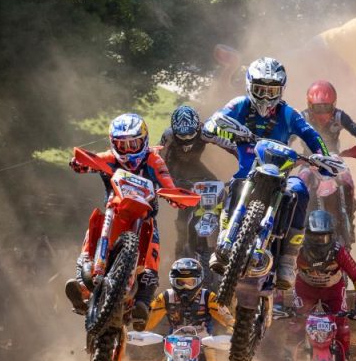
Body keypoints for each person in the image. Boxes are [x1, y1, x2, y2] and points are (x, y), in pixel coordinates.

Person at [201, 57, 337, 289]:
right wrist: (215, 128)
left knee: (299, 190)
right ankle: (223, 238)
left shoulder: (289, 114)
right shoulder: (239, 105)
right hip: (249, 167)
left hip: (280, 173)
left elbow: (311, 135)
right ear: (249, 86)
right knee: (234, 184)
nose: (265, 96)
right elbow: (215, 121)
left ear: (280, 90)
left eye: (271, 90)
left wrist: (322, 156)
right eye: (260, 89)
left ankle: (288, 258)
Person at [65, 113, 180, 327]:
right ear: (113, 143)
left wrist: (174, 196)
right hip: (115, 212)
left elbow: (166, 181)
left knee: (153, 247)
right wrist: (80, 163)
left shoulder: (153, 159)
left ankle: (143, 302)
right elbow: (93, 161)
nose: (128, 150)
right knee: (93, 227)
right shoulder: (110, 157)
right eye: (122, 145)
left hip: (143, 217)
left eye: (133, 143)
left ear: (144, 141)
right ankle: (82, 286)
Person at [282, 210, 356, 361]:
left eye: (323, 238)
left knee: (342, 326)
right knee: (296, 324)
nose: (319, 242)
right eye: (315, 238)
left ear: (331, 236)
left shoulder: (339, 251)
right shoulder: (297, 251)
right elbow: (281, 276)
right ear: (307, 235)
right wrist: (277, 303)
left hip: (333, 291)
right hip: (305, 290)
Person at [145, 258, 233, 361]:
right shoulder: (166, 297)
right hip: (175, 337)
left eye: (190, 282)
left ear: (198, 281)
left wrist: (232, 328)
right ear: (173, 282)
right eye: (180, 282)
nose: (185, 287)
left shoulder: (208, 297)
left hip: (202, 338)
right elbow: (148, 321)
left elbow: (226, 316)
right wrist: (139, 326)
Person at [298, 80, 356, 241]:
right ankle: (297, 226)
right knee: (299, 184)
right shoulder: (301, 117)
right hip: (308, 160)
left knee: (347, 179)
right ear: (310, 105)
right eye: (318, 108)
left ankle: (349, 219)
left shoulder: (339, 115)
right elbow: (288, 136)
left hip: (334, 159)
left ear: (334, 104)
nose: (323, 113)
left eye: (327, 107)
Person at [159, 106, 217, 259]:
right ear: (174, 130)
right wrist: (167, 180)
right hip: (173, 168)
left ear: (198, 128)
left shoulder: (206, 131)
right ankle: (180, 247)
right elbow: (159, 158)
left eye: (190, 134)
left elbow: (226, 143)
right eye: (182, 136)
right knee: (184, 207)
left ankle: (214, 231)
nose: (186, 140)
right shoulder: (168, 135)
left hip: (194, 165)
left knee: (217, 185)